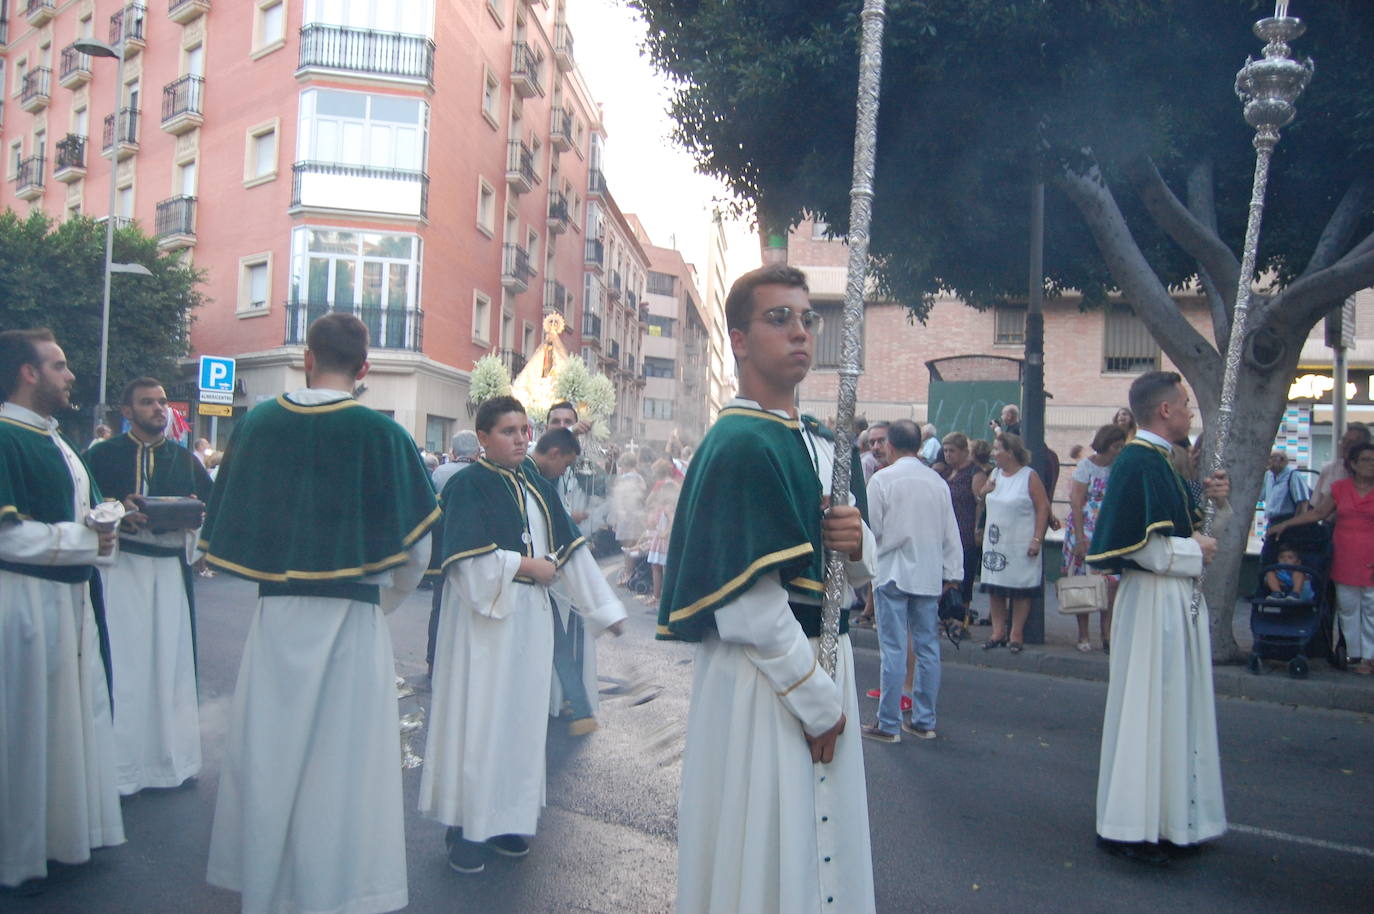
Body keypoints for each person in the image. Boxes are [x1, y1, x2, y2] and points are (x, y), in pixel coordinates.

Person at [201, 313, 440, 914]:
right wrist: (379, 602)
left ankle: (267, 888)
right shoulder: (385, 435)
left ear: (306, 357)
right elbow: (417, 549)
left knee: (270, 753)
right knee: (347, 764)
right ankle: (342, 892)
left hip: (276, 618)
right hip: (353, 621)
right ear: (364, 369)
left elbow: (228, 523)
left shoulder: (257, 424)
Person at [658, 263, 876, 913]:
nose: (800, 331)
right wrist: (818, 701)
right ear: (740, 339)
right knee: (762, 845)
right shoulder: (740, 443)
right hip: (765, 682)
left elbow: (856, 576)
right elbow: (749, 605)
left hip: (818, 664)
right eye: (778, 318)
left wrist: (857, 545)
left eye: (807, 318)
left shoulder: (825, 443)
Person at [420, 396, 625, 875]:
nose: (520, 438)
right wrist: (526, 565)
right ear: (485, 438)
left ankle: (509, 820)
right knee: (481, 720)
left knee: (521, 723)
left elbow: (570, 552)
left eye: (523, 430)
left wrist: (606, 608)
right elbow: (466, 569)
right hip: (482, 628)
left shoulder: (534, 481)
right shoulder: (469, 485)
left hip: (528, 624)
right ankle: (467, 827)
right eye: (508, 431)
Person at [1088, 370, 1230, 865]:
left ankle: (1171, 821)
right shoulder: (1138, 462)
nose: (1190, 411)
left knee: (1174, 709)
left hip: (1174, 601)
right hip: (1152, 600)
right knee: (1145, 708)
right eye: (1186, 403)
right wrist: (1196, 550)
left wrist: (1215, 502)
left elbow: (1194, 527)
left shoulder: (1167, 465)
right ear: (1164, 410)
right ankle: (1129, 826)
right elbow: (1145, 548)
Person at [0, 328, 124, 893]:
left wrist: (110, 523)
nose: (70, 374)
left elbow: (90, 512)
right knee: (24, 730)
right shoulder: (4, 437)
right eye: (59, 365)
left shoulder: (58, 441)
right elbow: (5, 537)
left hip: (70, 603)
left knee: (66, 725)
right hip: (23, 606)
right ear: (27, 373)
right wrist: (84, 542)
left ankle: (61, 837)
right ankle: (18, 853)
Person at [84, 377, 213, 795]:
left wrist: (192, 515)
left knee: (168, 666)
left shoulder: (184, 460)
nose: (158, 409)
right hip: (121, 572)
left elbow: (210, 511)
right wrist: (121, 511)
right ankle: (118, 769)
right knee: (123, 666)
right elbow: (87, 507)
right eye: (147, 402)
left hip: (169, 573)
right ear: (127, 412)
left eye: (161, 402)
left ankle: (169, 762)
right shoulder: (101, 456)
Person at [861, 419, 962, 744]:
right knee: (927, 648)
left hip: (892, 572)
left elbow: (870, 529)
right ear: (918, 446)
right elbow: (951, 533)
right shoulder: (937, 482)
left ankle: (888, 723)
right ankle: (923, 719)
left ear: (889, 445)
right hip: (928, 574)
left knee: (893, 649)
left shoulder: (882, 480)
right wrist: (953, 574)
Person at [1269, 440, 1374, 675]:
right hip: (1346, 555)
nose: (1371, 464)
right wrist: (1285, 524)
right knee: (1347, 607)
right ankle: (1353, 655)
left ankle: (1371, 658)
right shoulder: (1340, 488)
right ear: (1353, 464)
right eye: (1366, 460)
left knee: (1371, 608)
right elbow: (1317, 513)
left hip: (1371, 556)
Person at [528, 426, 602, 735]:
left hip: (547, 565)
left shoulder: (541, 477)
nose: (565, 471)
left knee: (561, 636)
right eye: (566, 464)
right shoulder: (530, 476)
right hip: (528, 572)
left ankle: (566, 701)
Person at [978, 433, 1051, 653]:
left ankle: (1016, 634)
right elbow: (982, 499)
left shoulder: (1029, 476)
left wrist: (1037, 539)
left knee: (1020, 588)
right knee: (995, 587)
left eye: (997, 449)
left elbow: (1043, 507)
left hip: (1020, 541)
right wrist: (984, 492)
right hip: (996, 541)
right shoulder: (995, 474)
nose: (993, 453)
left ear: (1010, 452)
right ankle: (997, 631)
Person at [1062, 424, 1127, 653]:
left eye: (1122, 446)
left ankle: (1107, 632)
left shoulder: (1119, 468)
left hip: (1109, 530)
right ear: (1105, 445)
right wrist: (1080, 539)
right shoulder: (1086, 466)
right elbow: (1077, 502)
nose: (1119, 451)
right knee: (1084, 583)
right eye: (1116, 446)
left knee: (1111, 582)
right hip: (1086, 529)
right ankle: (1083, 633)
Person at [426, 429, 481, 677]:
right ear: (477, 453)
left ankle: (433, 660)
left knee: (440, 606)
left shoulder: (440, 473)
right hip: (476, 552)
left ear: (453, 452)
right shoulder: (482, 475)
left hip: (444, 552)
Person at [941, 432, 987, 606]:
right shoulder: (945, 471)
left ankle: (962, 618)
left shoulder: (975, 472)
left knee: (964, 577)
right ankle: (944, 616)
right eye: (945, 451)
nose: (948, 455)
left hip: (965, 531)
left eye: (951, 451)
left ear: (963, 451)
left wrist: (977, 529)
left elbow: (980, 503)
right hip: (945, 531)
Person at [641, 458, 681, 602]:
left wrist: (665, 531)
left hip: (664, 537)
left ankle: (660, 596)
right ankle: (661, 596)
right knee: (660, 565)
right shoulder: (675, 484)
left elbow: (649, 502)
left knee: (662, 566)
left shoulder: (662, 487)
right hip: (662, 533)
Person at [1314, 423, 1370, 506]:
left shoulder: (1370, 473)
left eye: (1351, 442)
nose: (1345, 445)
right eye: (1344, 441)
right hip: (1329, 518)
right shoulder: (1329, 470)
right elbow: (1315, 507)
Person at [1262, 449, 1311, 528]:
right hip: (1271, 521)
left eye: (1271, 458)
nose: (1269, 461)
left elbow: (1303, 503)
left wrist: (1297, 526)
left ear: (1282, 461)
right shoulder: (1269, 475)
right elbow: (1261, 496)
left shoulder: (1293, 476)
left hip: (1287, 522)